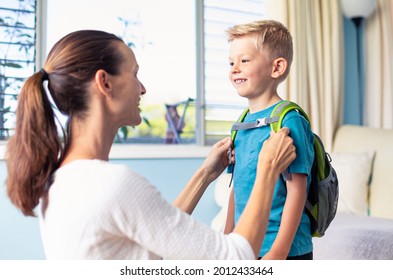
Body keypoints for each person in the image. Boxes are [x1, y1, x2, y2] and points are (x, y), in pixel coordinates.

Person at [5, 30, 296, 260]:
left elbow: (154, 237)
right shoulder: (111, 184)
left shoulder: (65, 178)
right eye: (134, 74)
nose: (142, 88)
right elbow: (236, 259)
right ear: (104, 83)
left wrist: (205, 175)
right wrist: (268, 168)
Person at [223, 20, 314, 260]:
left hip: (286, 251)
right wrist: (226, 236)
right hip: (246, 246)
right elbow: (237, 186)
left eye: (244, 60)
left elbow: (297, 191)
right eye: (231, 62)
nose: (234, 68)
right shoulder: (241, 123)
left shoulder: (288, 120)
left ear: (277, 68)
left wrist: (278, 252)